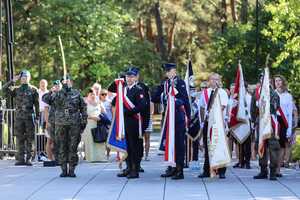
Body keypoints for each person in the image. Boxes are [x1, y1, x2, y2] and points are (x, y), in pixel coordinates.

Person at [152, 63, 190, 180]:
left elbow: (184, 100)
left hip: (178, 116)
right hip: (168, 116)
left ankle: (179, 170)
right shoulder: (165, 83)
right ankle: (171, 167)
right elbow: (155, 98)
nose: (168, 73)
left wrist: (173, 101)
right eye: (166, 71)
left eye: (170, 71)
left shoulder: (180, 83)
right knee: (169, 142)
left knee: (178, 144)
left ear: (175, 71)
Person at [43, 75, 87, 177]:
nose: (67, 83)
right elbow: (46, 99)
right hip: (60, 124)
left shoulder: (76, 93)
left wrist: (83, 121)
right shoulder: (57, 94)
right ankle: (63, 169)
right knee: (61, 147)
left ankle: (71, 169)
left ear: (71, 82)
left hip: (74, 123)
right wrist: (52, 91)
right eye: (64, 81)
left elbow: (83, 107)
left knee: (73, 147)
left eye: (68, 81)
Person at [109, 68, 147, 179]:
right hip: (124, 122)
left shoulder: (139, 90)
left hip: (134, 121)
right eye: (127, 76)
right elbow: (110, 89)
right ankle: (129, 168)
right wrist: (118, 80)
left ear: (135, 78)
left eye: (131, 76)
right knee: (127, 146)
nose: (129, 78)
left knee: (134, 146)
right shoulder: (123, 89)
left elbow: (141, 106)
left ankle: (135, 170)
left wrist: (127, 112)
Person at [3, 70, 39, 166]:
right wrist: (12, 81)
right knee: (19, 138)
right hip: (19, 116)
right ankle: (20, 159)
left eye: (26, 77)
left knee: (29, 138)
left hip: (29, 116)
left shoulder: (33, 89)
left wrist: (37, 117)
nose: (24, 79)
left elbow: (37, 104)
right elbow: (4, 89)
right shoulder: (16, 89)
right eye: (22, 78)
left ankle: (29, 158)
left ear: (29, 78)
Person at [197, 73, 229, 179]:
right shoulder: (205, 92)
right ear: (209, 81)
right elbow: (201, 107)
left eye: (217, 79)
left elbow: (223, 106)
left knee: (220, 146)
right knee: (208, 147)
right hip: (207, 123)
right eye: (213, 79)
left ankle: (222, 170)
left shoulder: (222, 92)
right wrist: (203, 120)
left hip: (218, 123)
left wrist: (212, 116)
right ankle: (207, 170)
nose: (215, 81)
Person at [252, 74, 281, 181]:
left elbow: (275, 107)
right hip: (260, 123)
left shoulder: (273, 93)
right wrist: (254, 121)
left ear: (269, 80)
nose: (263, 80)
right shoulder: (256, 92)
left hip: (270, 123)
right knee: (261, 146)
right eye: (261, 79)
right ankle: (263, 170)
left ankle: (273, 171)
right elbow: (252, 109)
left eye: (265, 79)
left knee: (273, 147)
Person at [274, 75, 293, 175]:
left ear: (283, 82)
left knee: (281, 146)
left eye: (279, 80)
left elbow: (289, 113)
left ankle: (278, 170)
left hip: (283, 122)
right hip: (274, 122)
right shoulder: (271, 94)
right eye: (276, 81)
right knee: (272, 146)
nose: (277, 82)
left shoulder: (288, 96)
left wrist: (289, 128)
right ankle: (272, 167)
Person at [83, 88, 108, 162]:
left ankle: (101, 158)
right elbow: (83, 115)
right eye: (91, 94)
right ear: (88, 95)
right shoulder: (85, 103)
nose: (93, 95)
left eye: (94, 94)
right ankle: (91, 158)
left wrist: (101, 117)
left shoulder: (99, 103)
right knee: (90, 140)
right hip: (89, 123)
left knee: (100, 140)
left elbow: (104, 113)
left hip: (99, 124)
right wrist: (92, 117)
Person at [44, 80, 61, 162]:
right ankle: (50, 158)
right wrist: (47, 122)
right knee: (50, 141)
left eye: (58, 85)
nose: (57, 87)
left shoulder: (63, 95)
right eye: (55, 85)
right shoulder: (50, 95)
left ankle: (59, 158)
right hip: (52, 122)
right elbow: (45, 105)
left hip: (61, 122)